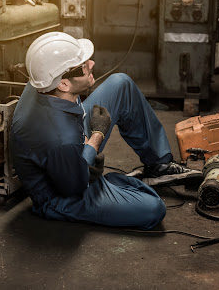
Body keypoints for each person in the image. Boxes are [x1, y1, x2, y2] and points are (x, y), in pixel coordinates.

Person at [10, 32, 197, 230]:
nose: (91, 64)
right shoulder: (60, 138)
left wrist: (86, 137)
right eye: (83, 66)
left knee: (120, 84)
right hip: (63, 193)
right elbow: (74, 185)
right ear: (63, 83)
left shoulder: (43, 80)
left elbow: (65, 123)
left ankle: (159, 164)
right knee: (153, 209)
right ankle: (114, 183)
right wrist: (96, 136)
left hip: (69, 137)